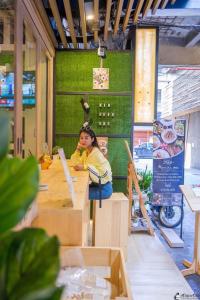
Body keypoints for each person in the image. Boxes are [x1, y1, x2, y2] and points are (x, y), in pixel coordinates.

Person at [71, 126, 112, 200]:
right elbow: (75, 163)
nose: (83, 140)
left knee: (78, 195)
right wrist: (77, 149)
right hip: (95, 185)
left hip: (104, 188)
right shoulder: (85, 153)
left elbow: (105, 175)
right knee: (75, 191)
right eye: (81, 138)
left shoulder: (97, 154)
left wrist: (85, 167)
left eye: (86, 138)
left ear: (92, 139)